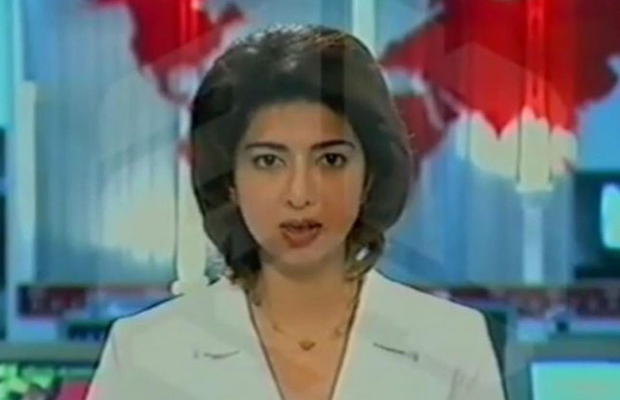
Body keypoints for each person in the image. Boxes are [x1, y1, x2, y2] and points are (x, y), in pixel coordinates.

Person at [85, 24, 506, 400]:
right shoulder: (145, 352)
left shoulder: (453, 346)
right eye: (269, 161)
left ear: (370, 174)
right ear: (229, 180)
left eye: (331, 160)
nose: (301, 194)